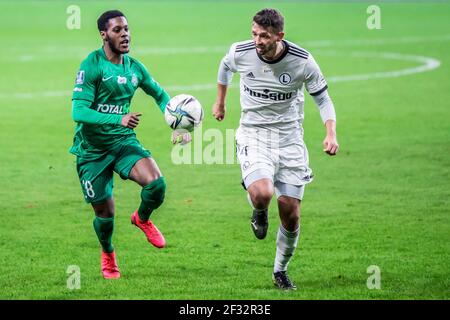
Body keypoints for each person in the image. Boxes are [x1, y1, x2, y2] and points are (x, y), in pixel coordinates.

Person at [212, 8, 339, 290]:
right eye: (254, 33)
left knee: (291, 211)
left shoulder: (302, 61)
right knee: (262, 193)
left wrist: (331, 132)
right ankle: (258, 211)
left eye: (265, 35)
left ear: (279, 36)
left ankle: (280, 270)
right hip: (254, 135)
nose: (258, 40)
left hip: (290, 139)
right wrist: (220, 102)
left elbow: (323, 99)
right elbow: (224, 68)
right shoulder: (240, 52)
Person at [70, 10, 190, 279]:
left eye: (126, 29)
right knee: (105, 213)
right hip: (92, 150)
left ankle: (142, 218)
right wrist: (118, 117)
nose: (125, 34)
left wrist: (179, 125)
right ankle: (108, 254)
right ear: (104, 35)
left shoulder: (135, 68)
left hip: (122, 142)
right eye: (117, 30)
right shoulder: (91, 65)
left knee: (156, 184)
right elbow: (79, 112)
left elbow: (160, 95)